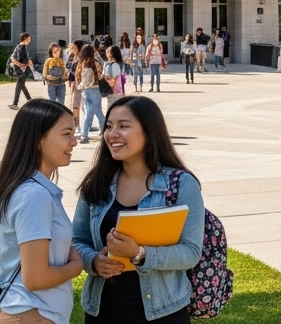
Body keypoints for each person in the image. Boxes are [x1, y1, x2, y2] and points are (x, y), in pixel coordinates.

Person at [74, 96, 206, 323]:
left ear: (149, 131)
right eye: (109, 126)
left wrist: (139, 254)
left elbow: (191, 253)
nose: (112, 134)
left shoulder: (181, 184)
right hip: (102, 311)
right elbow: (76, 240)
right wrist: (94, 261)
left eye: (124, 126)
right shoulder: (97, 182)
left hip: (164, 311)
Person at [0, 99, 83, 324]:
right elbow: (36, 278)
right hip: (29, 314)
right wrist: (76, 267)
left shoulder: (36, 190)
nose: (74, 142)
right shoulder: (33, 195)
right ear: (39, 139)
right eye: (66, 133)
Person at [74, 45, 106, 146]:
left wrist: (80, 85)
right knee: (98, 112)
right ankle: (104, 132)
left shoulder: (81, 63)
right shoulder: (95, 63)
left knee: (88, 113)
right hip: (94, 89)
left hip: (84, 91)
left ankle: (84, 135)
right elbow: (100, 76)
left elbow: (78, 77)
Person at [7, 32, 36, 110]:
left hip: (19, 69)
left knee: (21, 85)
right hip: (21, 70)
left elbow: (14, 57)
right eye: (29, 38)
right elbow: (21, 58)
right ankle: (18, 103)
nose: (30, 40)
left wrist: (27, 61)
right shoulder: (22, 47)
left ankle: (27, 101)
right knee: (20, 86)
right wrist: (26, 63)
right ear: (25, 39)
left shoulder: (19, 46)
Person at [103, 45, 127, 112]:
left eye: (108, 52)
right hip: (118, 92)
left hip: (114, 93)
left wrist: (105, 80)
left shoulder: (114, 65)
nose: (106, 53)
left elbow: (112, 81)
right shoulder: (118, 65)